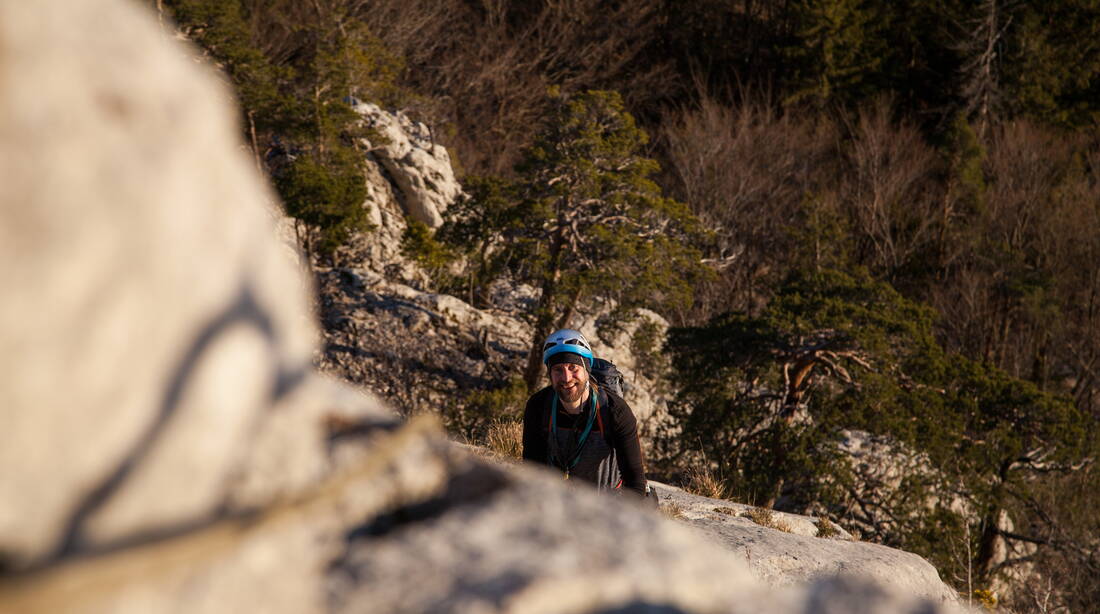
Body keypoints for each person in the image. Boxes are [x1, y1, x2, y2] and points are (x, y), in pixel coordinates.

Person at [522, 328, 648, 496]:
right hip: (556, 503)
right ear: (550, 374)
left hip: (609, 506)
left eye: (573, 368)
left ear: (587, 370)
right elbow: (532, 472)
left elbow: (635, 484)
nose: (566, 378)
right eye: (558, 370)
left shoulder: (614, 411)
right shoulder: (538, 406)